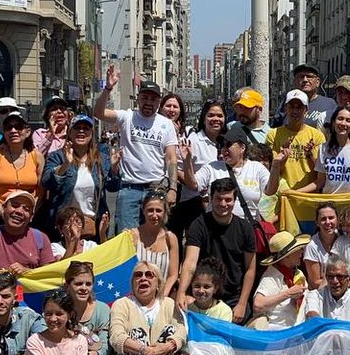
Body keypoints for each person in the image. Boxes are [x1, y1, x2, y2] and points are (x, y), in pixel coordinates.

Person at [94, 66, 180, 233]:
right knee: (126, 241)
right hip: (129, 189)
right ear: (138, 98)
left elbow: (171, 159)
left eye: (153, 99)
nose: (148, 102)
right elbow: (98, 112)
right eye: (145, 97)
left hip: (156, 189)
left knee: (155, 239)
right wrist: (108, 87)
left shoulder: (166, 124)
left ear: (158, 102)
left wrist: (173, 189)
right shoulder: (127, 117)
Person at [177, 178, 257, 322]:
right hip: (203, 295)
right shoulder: (198, 225)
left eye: (228, 199)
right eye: (218, 199)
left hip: (234, 297)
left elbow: (250, 269)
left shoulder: (245, 228)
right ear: (211, 198)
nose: (223, 204)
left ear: (235, 200)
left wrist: (242, 303)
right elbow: (190, 262)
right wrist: (182, 292)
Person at [42, 113, 116, 240]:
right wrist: (65, 164)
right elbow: (47, 183)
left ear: (92, 134)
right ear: (70, 133)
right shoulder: (57, 156)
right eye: (77, 128)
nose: (81, 131)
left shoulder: (101, 159)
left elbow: (113, 187)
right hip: (64, 226)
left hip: (92, 225)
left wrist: (114, 170)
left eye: (86, 128)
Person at [181, 125, 277, 217]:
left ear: (242, 148)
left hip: (247, 228)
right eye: (222, 145)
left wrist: (276, 166)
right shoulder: (212, 167)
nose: (224, 149)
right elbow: (193, 185)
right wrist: (187, 161)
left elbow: (270, 191)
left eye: (228, 145)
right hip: (217, 228)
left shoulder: (257, 168)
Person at [172, 100, 226, 242]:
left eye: (220, 116)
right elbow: (177, 169)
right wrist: (194, 184)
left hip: (221, 204)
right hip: (194, 204)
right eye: (211, 115)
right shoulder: (193, 140)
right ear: (204, 118)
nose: (216, 119)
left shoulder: (227, 142)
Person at [0, 110, 42, 220]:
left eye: (18, 127)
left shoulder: (36, 156)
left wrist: (31, 212)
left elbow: (41, 190)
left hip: (28, 216)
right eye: (8, 128)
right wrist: (4, 214)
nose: (13, 131)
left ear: (28, 131)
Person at [64, 261, 113, 355]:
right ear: (67, 286)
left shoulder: (102, 309)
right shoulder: (58, 310)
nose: (84, 288)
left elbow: (105, 346)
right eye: (78, 284)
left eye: (88, 284)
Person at [265, 90, 326, 192]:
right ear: (286, 109)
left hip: (308, 196)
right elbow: (270, 170)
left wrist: (309, 155)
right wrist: (283, 158)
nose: (295, 111)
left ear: (306, 110)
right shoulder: (273, 134)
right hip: (282, 196)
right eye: (291, 106)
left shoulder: (317, 136)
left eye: (299, 107)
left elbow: (321, 175)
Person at [307, 106, 350, 194]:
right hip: (330, 204)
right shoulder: (324, 148)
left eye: (348, 120)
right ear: (333, 122)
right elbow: (320, 182)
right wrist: (293, 192)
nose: (343, 123)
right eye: (340, 119)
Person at [251, 231, 311, 330]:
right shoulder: (271, 276)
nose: (301, 252)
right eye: (298, 249)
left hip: (296, 329)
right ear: (287, 255)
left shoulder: (298, 273)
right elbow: (258, 305)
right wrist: (288, 294)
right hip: (276, 332)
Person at [128, 191, 180, 298]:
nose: (154, 215)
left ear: (165, 212)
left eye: (159, 211)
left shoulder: (170, 238)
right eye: (150, 210)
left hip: (161, 297)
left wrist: (161, 298)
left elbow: (173, 275)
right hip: (136, 296)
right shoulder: (132, 235)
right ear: (143, 211)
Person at [292, 63, 337, 130]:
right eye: (301, 77)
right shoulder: (287, 103)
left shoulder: (329, 104)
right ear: (295, 82)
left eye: (309, 76)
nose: (305, 80)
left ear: (317, 82)